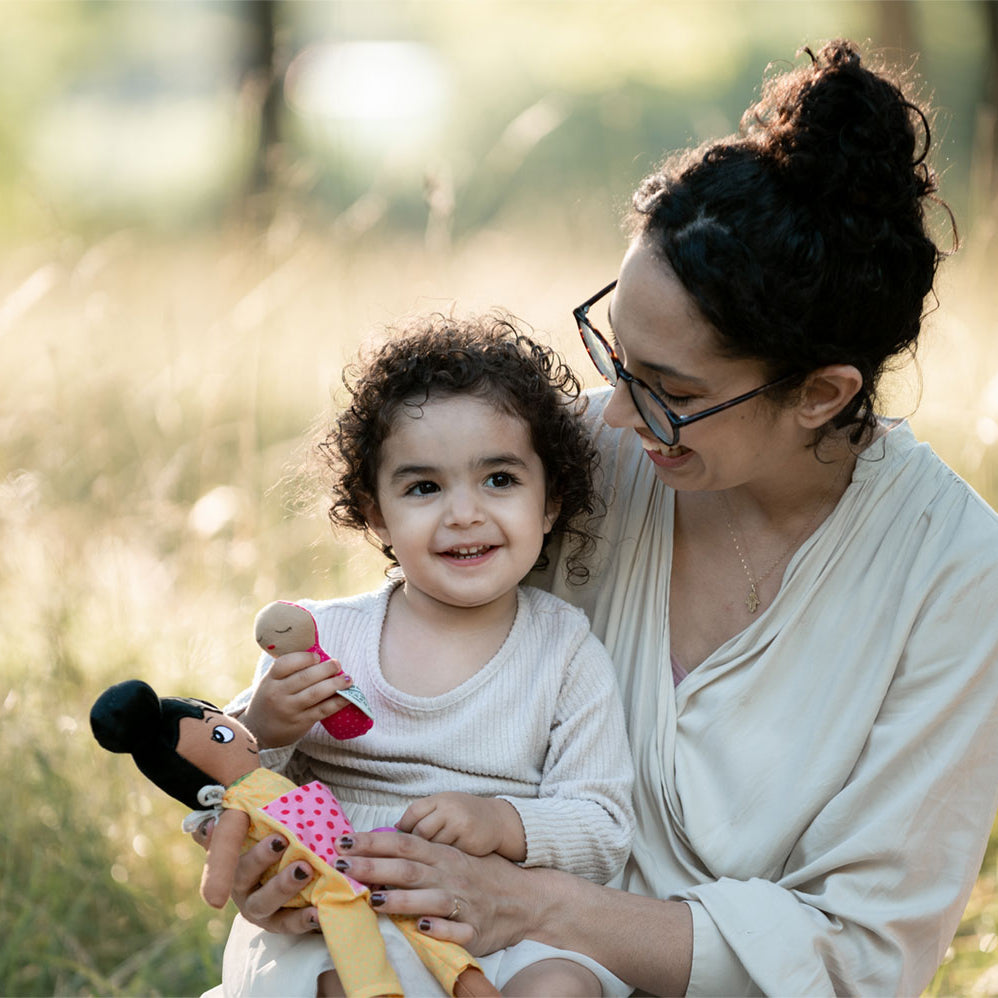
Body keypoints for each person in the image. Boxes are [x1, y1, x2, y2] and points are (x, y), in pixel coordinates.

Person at [206, 39, 998, 996]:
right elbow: (396, 691)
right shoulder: (578, 456)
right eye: (614, 354)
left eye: (667, 389)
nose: (613, 415)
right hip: (427, 951)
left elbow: (863, 955)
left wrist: (535, 908)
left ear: (823, 395)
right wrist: (272, 837)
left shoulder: (954, 574)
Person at [204, 315, 636, 997]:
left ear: (550, 501)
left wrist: (500, 819)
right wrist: (267, 728)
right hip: (336, 917)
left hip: (492, 924)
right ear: (376, 514)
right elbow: (217, 799)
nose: (463, 514)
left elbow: (603, 825)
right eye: (424, 487)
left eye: (499, 479)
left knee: (563, 985)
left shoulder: (564, 649)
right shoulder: (323, 640)